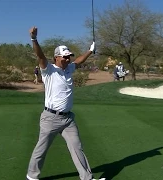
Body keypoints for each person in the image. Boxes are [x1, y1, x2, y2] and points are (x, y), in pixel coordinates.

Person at [26, 26, 105, 180]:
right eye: (65, 57)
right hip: (50, 118)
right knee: (41, 149)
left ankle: (87, 178)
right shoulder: (48, 70)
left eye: (69, 57)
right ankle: (31, 176)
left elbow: (79, 61)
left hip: (68, 119)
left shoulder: (69, 69)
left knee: (77, 147)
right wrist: (34, 39)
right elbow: (40, 56)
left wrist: (90, 50)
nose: (68, 59)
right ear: (56, 57)